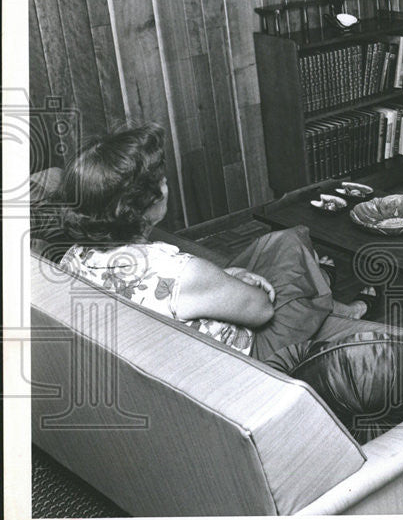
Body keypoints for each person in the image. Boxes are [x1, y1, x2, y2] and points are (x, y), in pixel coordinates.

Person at [56, 123, 373, 368]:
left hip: (174, 352)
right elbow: (262, 311)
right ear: (144, 201)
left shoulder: (75, 256)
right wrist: (245, 283)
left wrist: (234, 275)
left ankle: (326, 286)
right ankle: (339, 299)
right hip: (245, 361)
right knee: (291, 243)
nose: (166, 184)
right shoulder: (179, 273)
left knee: (274, 244)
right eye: (161, 179)